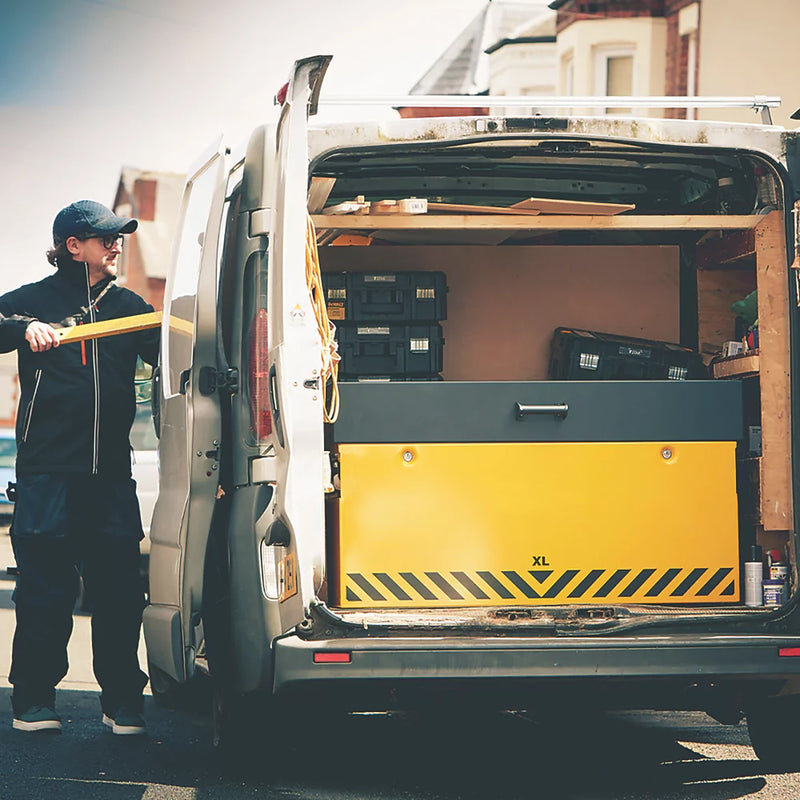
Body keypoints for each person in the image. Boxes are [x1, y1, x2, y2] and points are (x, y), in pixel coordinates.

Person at [0, 200, 160, 734]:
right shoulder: (34, 300)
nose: (118, 244)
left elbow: (177, 358)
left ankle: (123, 703)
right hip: (48, 474)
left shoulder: (129, 306)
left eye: (120, 237)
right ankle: (34, 701)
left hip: (110, 477)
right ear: (74, 246)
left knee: (119, 595)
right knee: (46, 594)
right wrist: (24, 328)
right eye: (106, 237)